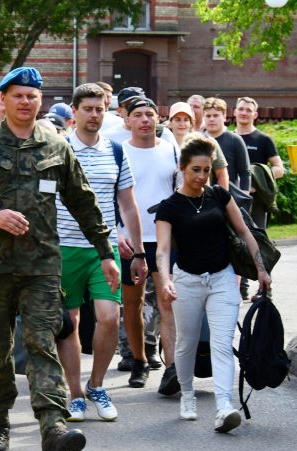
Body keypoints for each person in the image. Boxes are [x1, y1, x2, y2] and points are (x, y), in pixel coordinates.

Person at [0, 67, 118, 451]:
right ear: (2, 100)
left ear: (40, 101)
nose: (26, 102)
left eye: (32, 96)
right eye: (18, 95)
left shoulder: (55, 146)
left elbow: (84, 202)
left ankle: (52, 426)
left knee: (42, 343)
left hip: (42, 266)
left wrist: (105, 252)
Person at [154, 134, 271, 432]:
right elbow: (163, 250)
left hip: (222, 279)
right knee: (186, 345)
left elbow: (245, 232)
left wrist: (261, 269)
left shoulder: (220, 195)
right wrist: (166, 280)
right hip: (187, 281)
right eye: (196, 169)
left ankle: (224, 406)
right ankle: (188, 396)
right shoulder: (169, 207)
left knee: (221, 344)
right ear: (182, 168)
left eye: (207, 170)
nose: (202, 176)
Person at [55, 83, 146, 423]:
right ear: (74, 112)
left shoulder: (116, 151)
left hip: (102, 252)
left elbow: (128, 204)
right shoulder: (59, 148)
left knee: (109, 318)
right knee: (70, 323)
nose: (94, 115)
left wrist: (137, 252)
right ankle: (75, 394)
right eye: (88, 109)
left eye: (100, 109)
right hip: (63, 248)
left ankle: (97, 385)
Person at [117, 96, 179, 390]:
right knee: (133, 303)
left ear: (158, 119)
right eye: (138, 115)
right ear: (127, 121)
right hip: (131, 241)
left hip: (165, 240)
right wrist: (115, 234)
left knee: (167, 301)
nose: (145, 119)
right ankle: (139, 360)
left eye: (150, 114)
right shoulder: (119, 152)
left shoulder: (170, 150)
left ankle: (172, 369)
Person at [233, 96, 285, 228]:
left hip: (256, 201)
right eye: (241, 109)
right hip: (231, 198)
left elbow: (279, 169)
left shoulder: (264, 140)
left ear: (255, 114)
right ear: (235, 112)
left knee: (258, 241)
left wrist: (258, 180)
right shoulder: (228, 138)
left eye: (248, 110)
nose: (244, 113)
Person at [168, 102, 230, 190]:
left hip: (201, 197)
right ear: (170, 122)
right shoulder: (163, 145)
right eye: (177, 119)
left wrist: (222, 200)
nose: (182, 123)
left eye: (186, 119)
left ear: (191, 123)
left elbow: (222, 174)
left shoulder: (206, 141)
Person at [203, 97, 250, 192]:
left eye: (216, 115)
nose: (211, 119)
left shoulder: (235, 140)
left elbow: (245, 173)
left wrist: (245, 200)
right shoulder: (198, 140)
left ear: (224, 117)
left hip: (230, 197)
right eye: (208, 116)